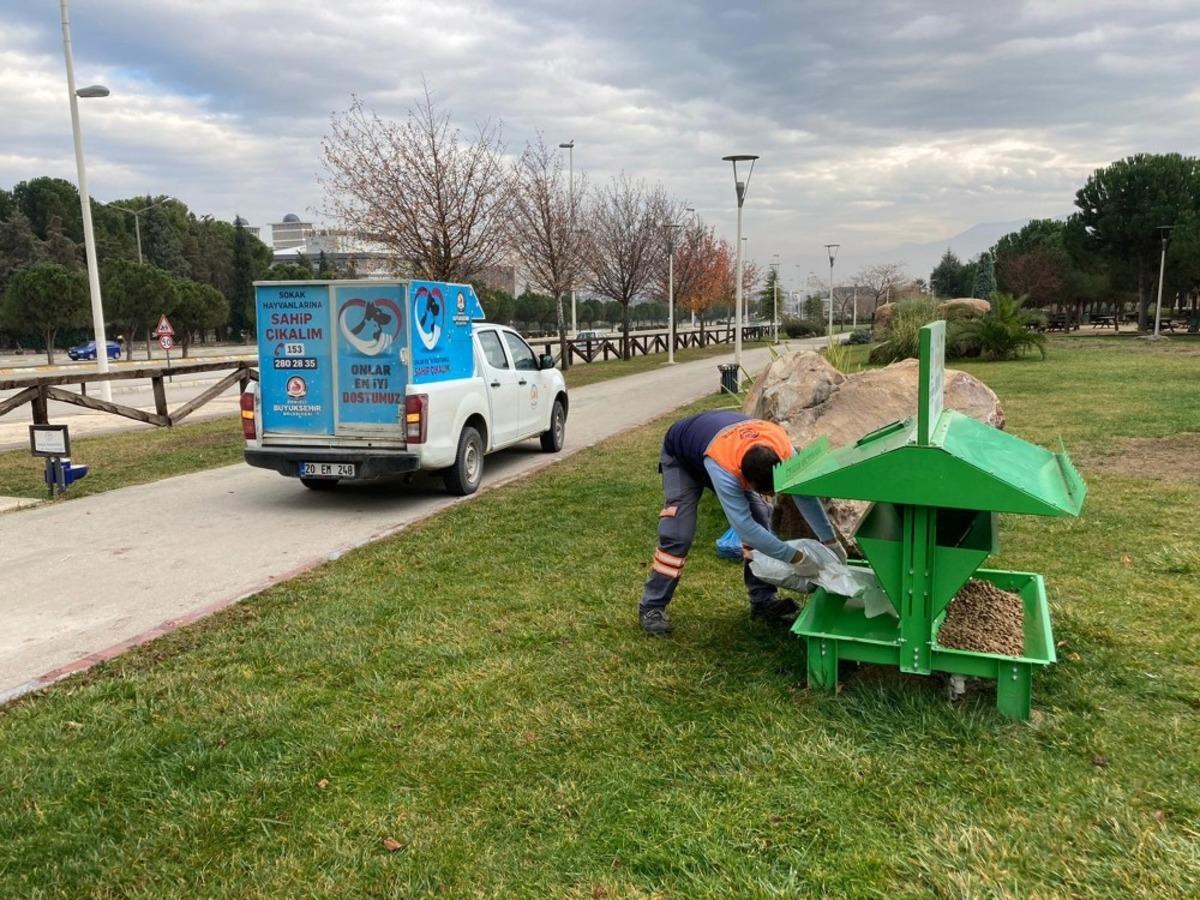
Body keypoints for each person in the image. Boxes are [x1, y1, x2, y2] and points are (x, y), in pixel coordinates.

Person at [639, 409, 842, 636]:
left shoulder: (786, 452)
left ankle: (762, 601)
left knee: (760, 518)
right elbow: (743, 527)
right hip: (683, 457)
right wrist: (796, 558)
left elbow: (804, 495)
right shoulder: (725, 468)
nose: (771, 494)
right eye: (764, 491)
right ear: (745, 480)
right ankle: (652, 607)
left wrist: (831, 541)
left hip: (718, 440)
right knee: (678, 532)